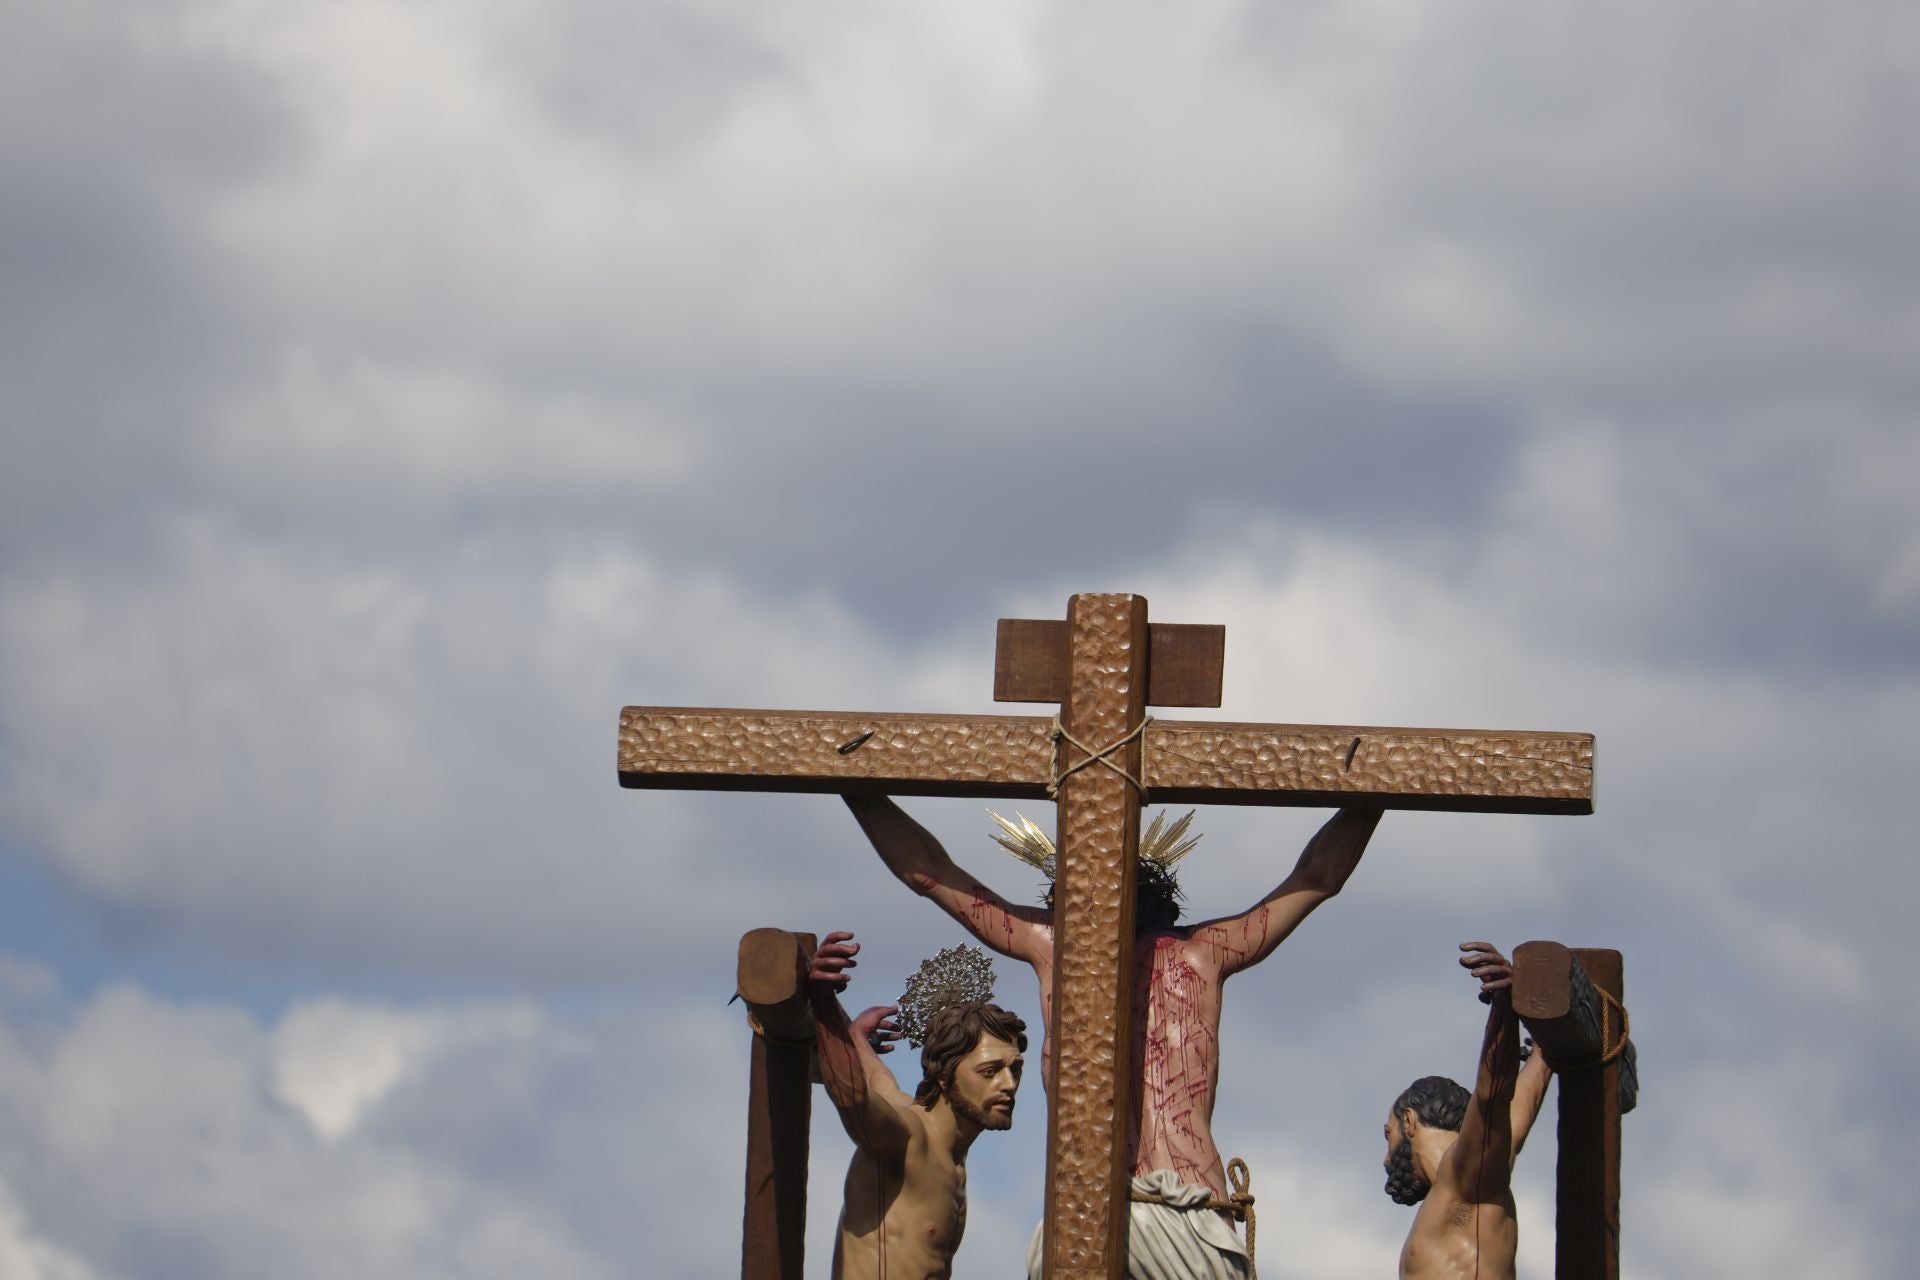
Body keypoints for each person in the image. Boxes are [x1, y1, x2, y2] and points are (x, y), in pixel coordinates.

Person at [843, 794, 1383, 1280]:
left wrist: (857, 790)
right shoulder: (1210, 952)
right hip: (1186, 1211)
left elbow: (932, 874)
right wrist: (1373, 793)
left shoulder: (1053, 945)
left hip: (1089, 1210)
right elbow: (1317, 875)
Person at [807, 930, 1027, 1280]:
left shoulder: (952, 1156)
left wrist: (858, 1042)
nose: (1009, 1084)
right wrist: (821, 1000)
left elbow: (879, 1079)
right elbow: (852, 1097)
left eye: (1015, 1069)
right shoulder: (906, 1138)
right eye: (990, 1071)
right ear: (945, 1076)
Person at [1384, 942, 1556, 1280]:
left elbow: (1492, 1096)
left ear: (1409, 1121)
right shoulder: (1464, 1182)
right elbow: (1510, 1113)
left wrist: (1505, 1006)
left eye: (1388, 1135)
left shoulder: (1466, 1176)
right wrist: (1542, 1056)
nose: (1387, 1159)